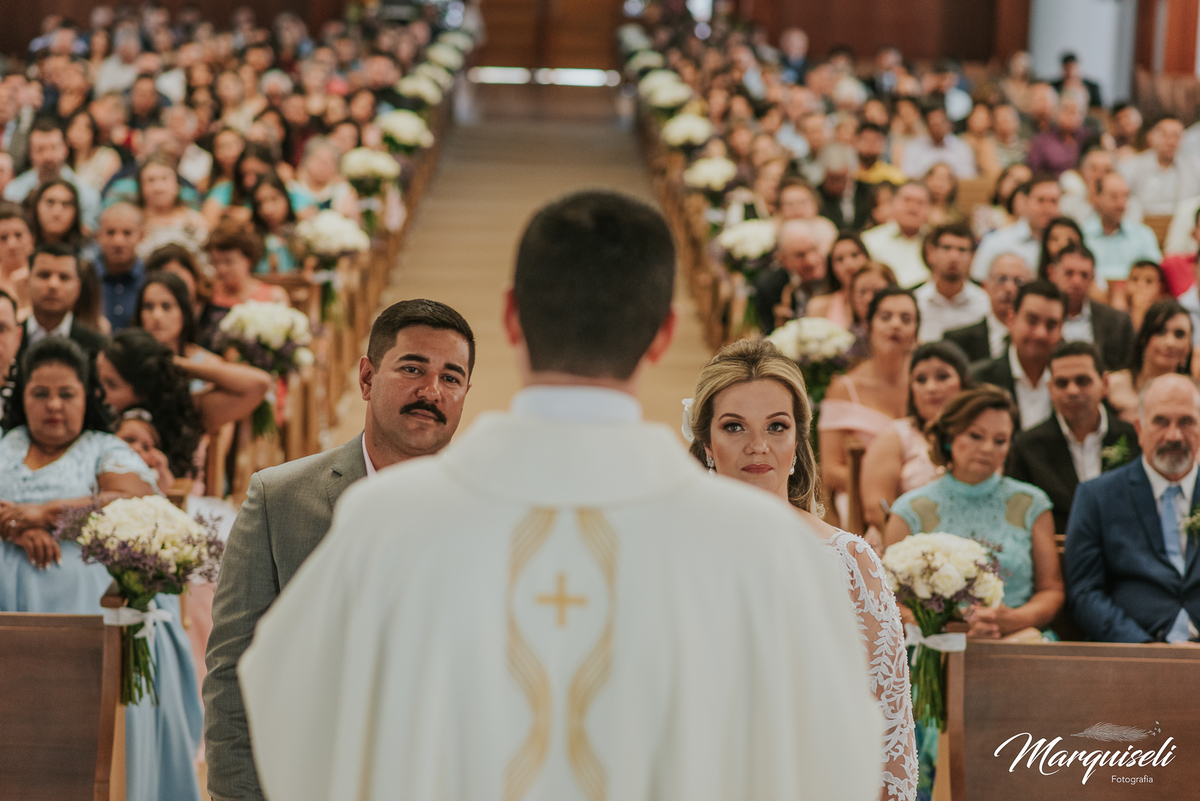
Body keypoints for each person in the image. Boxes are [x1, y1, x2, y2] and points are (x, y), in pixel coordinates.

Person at [236, 190, 883, 801]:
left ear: (512, 316)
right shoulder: (761, 546)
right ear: (663, 333)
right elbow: (831, 758)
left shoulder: (387, 523)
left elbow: (290, 712)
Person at [204, 298, 476, 800]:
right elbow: (231, 672)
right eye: (412, 368)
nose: (431, 391)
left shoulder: (489, 513)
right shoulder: (280, 498)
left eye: (451, 377)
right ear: (367, 377)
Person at [688, 338, 916, 801]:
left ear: (797, 442)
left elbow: (887, 727)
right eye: (734, 427)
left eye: (776, 426)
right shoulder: (669, 555)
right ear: (707, 443)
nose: (758, 446)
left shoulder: (849, 561)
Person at [0, 336, 203, 801]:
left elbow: (133, 500)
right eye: (40, 394)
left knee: (83, 737)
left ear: (87, 397)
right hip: (10, 613)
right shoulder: (5, 443)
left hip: (92, 615)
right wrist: (13, 528)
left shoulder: (103, 449)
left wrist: (46, 513)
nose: (54, 405)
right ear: (21, 398)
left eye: (66, 394)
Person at [885, 384, 1066, 634]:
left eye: (1000, 440)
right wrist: (941, 628)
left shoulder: (1031, 504)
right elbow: (887, 597)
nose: (988, 448)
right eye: (976, 436)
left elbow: (1051, 590)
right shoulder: (911, 509)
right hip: (935, 645)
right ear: (950, 438)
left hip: (1016, 638)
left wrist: (1013, 619)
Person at [1066, 372, 1200, 642]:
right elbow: (1084, 592)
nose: (1174, 435)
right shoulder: (1097, 496)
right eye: (1160, 421)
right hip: (1132, 656)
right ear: (1139, 429)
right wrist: (1142, 650)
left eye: (1186, 422)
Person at [1007, 341, 1141, 534]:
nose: (1072, 391)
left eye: (1082, 381)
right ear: (1050, 389)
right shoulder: (1027, 447)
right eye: (1062, 383)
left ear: (1104, 384)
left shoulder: (1135, 438)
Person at [820, 287, 920, 523]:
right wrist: (886, 485)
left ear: (916, 332)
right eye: (885, 317)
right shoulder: (844, 389)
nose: (895, 325)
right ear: (868, 326)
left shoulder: (927, 386)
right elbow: (831, 471)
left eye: (906, 319)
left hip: (922, 499)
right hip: (860, 506)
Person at [131, 271, 274, 433]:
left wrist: (177, 365)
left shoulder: (198, 377)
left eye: (167, 306)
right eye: (148, 307)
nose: (156, 316)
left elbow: (261, 383)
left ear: (184, 313)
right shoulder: (129, 364)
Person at [861, 341, 970, 537]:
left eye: (942, 377)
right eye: (921, 380)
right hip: (909, 543)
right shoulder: (896, 436)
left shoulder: (981, 437)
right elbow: (877, 510)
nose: (931, 388)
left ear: (964, 382)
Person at [971, 280, 1066, 430]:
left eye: (1051, 325)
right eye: (1032, 321)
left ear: (1061, 330)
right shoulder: (980, 380)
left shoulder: (1071, 382)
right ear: (1011, 320)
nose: (1040, 333)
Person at [1045, 243, 1135, 372]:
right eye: (1069, 273)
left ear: (1093, 278)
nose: (1076, 282)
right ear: (1052, 273)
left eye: (1084, 275)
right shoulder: (1039, 319)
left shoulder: (1117, 321)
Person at [2, 117, 101, 231]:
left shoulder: (87, 195)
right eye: (41, 149)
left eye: (54, 148)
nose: (48, 156)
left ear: (65, 149)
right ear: (30, 153)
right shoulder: (13, 191)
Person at [1106, 299, 1193, 424]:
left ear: (1188, 348)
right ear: (1144, 338)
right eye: (1160, 332)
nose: (1170, 342)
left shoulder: (1194, 396)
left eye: (1179, 334)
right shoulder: (1111, 385)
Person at [17, 242, 107, 360]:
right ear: (27, 283)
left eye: (64, 277)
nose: (53, 285)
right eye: (44, 275)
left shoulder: (98, 348)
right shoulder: (6, 338)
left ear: (77, 289)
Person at [1081, 171, 1162, 291]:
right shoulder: (1082, 235)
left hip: (1136, 297)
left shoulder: (1143, 235)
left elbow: (1155, 275)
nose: (1121, 204)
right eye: (1114, 197)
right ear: (1097, 198)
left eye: (1125, 196)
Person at [944, 251, 1031, 363]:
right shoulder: (957, 341)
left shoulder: (1039, 340)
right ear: (985, 287)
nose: (1009, 288)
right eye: (1002, 279)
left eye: (1019, 281)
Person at [971, 175, 1061, 281]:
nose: (1047, 208)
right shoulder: (995, 242)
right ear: (1025, 201)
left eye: (1053, 201)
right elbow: (978, 282)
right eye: (1040, 200)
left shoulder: (1067, 242)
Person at [914, 221, 989, 342]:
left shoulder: (985, 304)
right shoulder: (915, 302)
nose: (954, 256)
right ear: (930, 253)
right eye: (947, 248)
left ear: (972, 257)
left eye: (962, 250)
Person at [754, 219, 830, 334]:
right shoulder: (769, 286)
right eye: (800, 255)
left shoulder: (834, 271)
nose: (811, 261)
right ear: (783, 259)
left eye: (813, 249)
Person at [1119, 116, 1200, 218]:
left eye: (1176, 136)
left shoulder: (1194, 168)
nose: (1171, 142)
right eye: (1165, 135)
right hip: (1143, 223)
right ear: (1151, 136)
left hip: (1181, 224)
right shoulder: (1132, 167)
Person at [136, 154, 210, 260]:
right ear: (141, 187)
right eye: (151, 180)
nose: (158, 188)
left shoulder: (196, 220)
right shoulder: (133, 223)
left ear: (177, 184)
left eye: (164, 179)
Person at [861, 180, 933, 287]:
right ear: (893, 203)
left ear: (929, 208)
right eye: (907, 200)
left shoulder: (936, 243)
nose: (913, 208)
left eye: (920, 202)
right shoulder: (869, 240)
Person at [205, 219, 289, 307]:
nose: (221, 269)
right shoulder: (207, 294)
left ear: (248, 259)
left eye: (228, 261)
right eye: (215, 262)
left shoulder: (273, 296)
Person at [94, 202, 146, 330]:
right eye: (110, 233)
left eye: (127, 233)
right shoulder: (85, 278)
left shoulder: (150, 279)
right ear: (98, 236)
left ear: (141, 236)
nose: (118, 242)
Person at [806, 231, 869, 328]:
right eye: (840, 259)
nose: (848, 264)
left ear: (867, 258)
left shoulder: (885, 301)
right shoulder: (819, 307)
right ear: (832, 269)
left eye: (854, 255)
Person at [900, 102, 976, 179]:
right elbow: (909, 175)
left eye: (940, 124)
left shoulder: (961, 147)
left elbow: (967, 177)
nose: (937, 129)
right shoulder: (914, 147)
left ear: (948, 124)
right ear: (927, 125)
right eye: (934, 124)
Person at [1026, 95, 1087, 178]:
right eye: (1068, 111)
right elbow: (1034, 171)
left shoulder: (1088, 138)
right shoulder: (1042, 141)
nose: (1073, 116)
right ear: (1056, 112)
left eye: (1077, 112)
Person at [28, 178, 86, 251]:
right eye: (50, 202)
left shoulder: (88, 253)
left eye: (66, 204)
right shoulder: (21, 248)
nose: (57, 212)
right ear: (36, 205)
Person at [0, 202, 34, 314]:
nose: (12, 245)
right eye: (3, 238)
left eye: (18, 235)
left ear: (31, 239)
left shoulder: (43, 277)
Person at [1124, 259, 1171, 333]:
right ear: (1126, 283)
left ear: (1161, 288)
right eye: (1135, 279)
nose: (1140, 285)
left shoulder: (1165, 317)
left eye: (1149, 281)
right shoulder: (1120, 312)